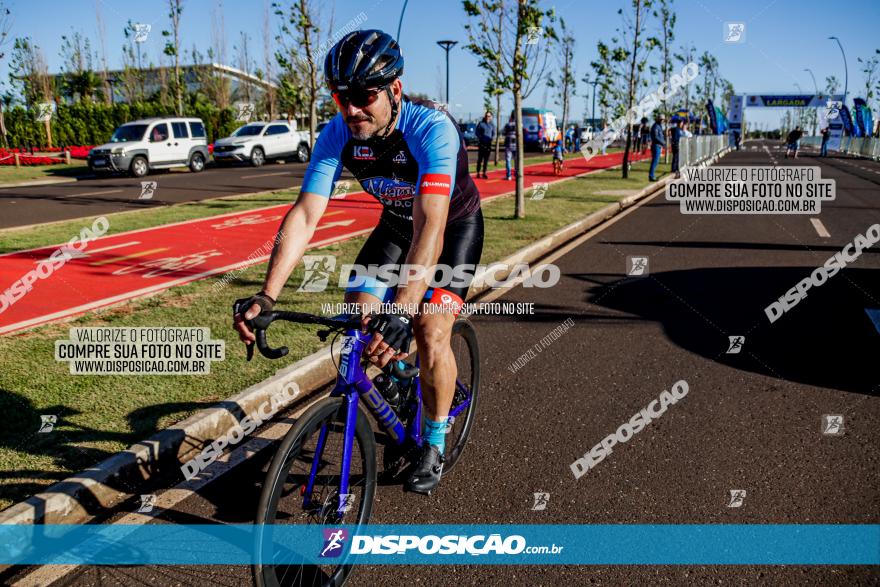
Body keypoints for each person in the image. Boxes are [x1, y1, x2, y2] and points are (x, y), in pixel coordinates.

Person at [232, 29, 484, 495]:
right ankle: (398, 385)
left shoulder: (433, 130)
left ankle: (433, 439)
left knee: (429, 330)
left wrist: (405, 310)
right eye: (341, 97)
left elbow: (430, 227)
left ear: (395, 90)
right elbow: (306, 214)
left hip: (450, 231)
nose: (351, 110)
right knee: (359, 314)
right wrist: (267, 295)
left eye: (364, 97)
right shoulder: (338, 134)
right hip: (395, 226)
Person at [474, 111, 495, 178]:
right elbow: (477, 132)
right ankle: (478, 172)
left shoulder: (492, 125)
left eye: (488, 116)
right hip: (482, 144)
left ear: (491, 117)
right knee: (480, 159)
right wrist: (480, 138)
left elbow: (494, 134)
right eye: (486, 116)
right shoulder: (481, 124)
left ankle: (484, 173)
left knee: (486, 159)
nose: (487, 117)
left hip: (488, 144)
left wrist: (491, 139)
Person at [649, 113, 666, 181]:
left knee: (656, 161)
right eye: (661, 119)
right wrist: (663, 142)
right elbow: (655, 137)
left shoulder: (659, 126)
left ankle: (652, 175)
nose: (662, 121)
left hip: (658, 145)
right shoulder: (655, 126)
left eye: (663, 120)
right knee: (655, 161)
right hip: (656, 145)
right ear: (658, 119)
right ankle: (651, 176)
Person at [503, 113, 517, 180]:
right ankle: (517, 174)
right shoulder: (519, 124)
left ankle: (509, 175)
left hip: (508, 144)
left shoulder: (508, 125)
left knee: (508, 160)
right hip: (516, 145)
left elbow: (503, 132)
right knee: (516, 160)